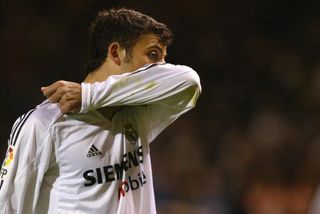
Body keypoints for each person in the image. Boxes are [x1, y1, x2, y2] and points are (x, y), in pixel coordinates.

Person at [0, 8, 201, 214]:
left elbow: (190, 82)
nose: (160, 69)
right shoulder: (46, 122)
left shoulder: (139, 114)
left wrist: (89, 94)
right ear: (116, 53)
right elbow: (9, 205)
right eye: (153, 55)